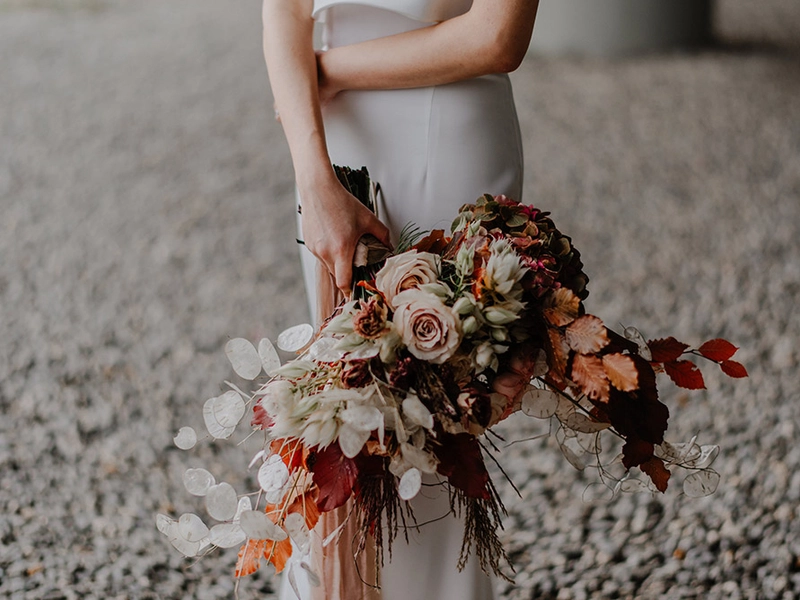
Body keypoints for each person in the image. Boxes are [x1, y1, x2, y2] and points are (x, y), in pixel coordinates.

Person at [261, 1, 540, 598]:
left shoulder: (327, 71)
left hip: (444, 131)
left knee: (431, 419)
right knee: (341, 410)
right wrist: (314, 176)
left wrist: (324, 70)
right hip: (328, 139)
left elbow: (497, 36)